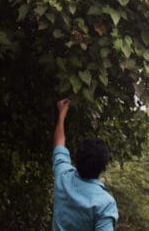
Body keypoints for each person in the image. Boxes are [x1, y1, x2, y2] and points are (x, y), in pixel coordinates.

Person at [52, 98, 118, 230]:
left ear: (76, 160)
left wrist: (62, 114)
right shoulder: (105, 204)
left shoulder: (64, 176)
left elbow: (59, 143)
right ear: (103, 168)